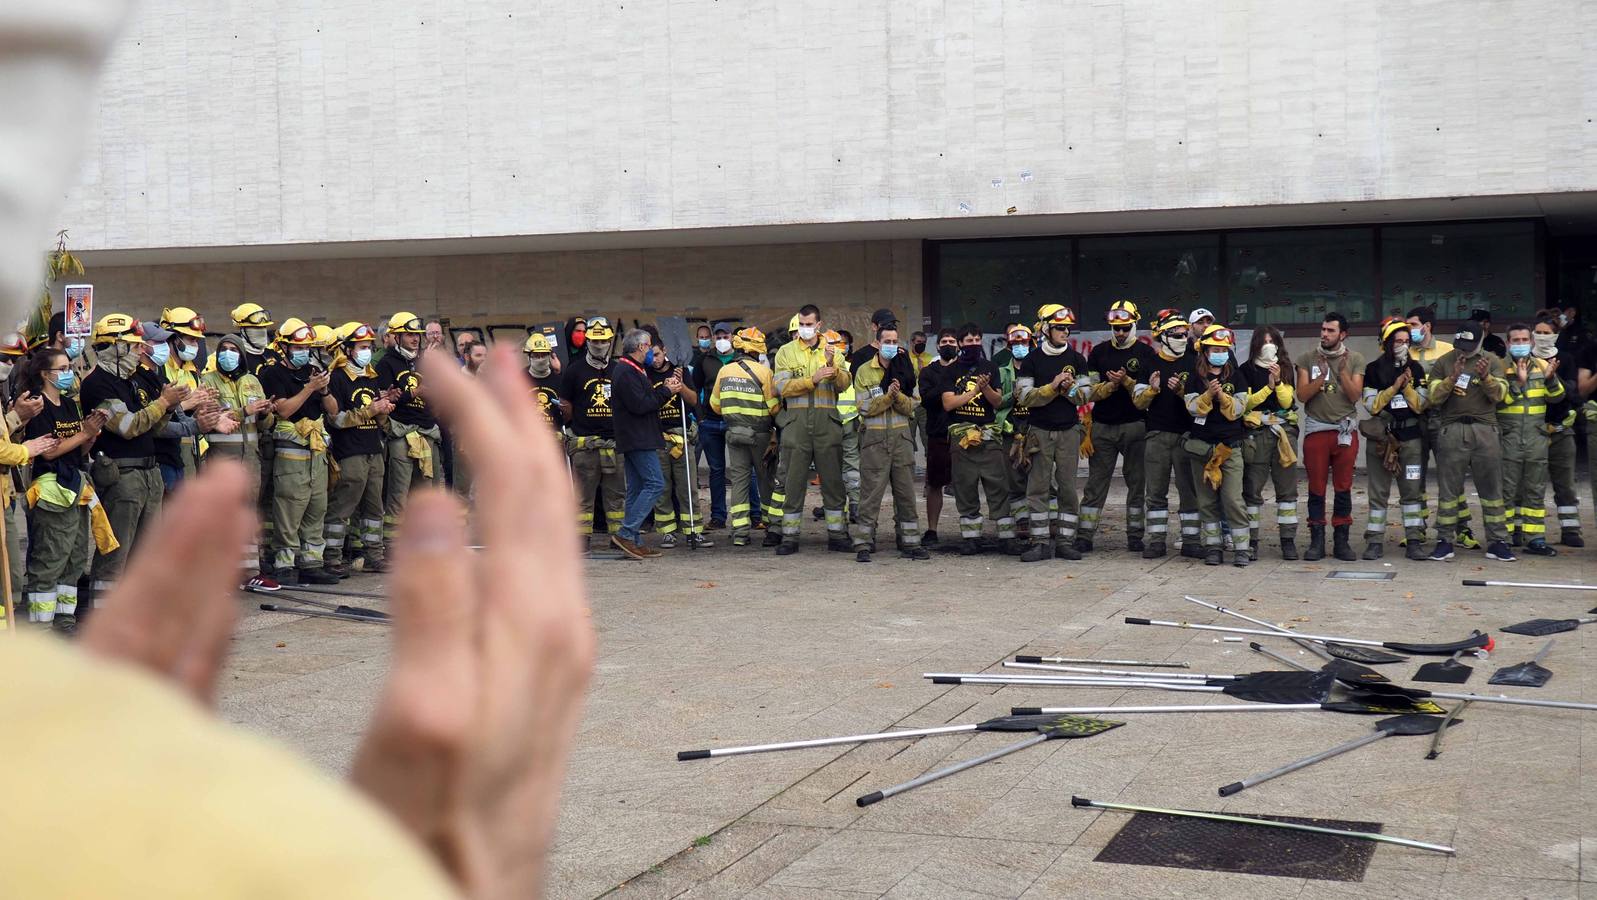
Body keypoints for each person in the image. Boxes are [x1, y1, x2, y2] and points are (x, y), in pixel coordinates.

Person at [80, 314, 187, 603]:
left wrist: (166, 408)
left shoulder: (128, 381)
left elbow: (152, 426)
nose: (141, 351)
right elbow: (128, 427)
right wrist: (163, 403)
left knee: (148, 553)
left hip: (148, 475)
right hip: (123, 478)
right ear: (114, 347)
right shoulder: (97, 384)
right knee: (117, 553)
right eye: (133, 345)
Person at [19, 349, 98, 632]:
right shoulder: (37, 405)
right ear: (44, 373)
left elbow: (77, 446)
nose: (68, 372)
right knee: (50, 559)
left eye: (69, 367)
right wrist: (84, 433)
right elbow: (49, 452)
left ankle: (65, 620)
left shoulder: (68, 404)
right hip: (51, 490)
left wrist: (90, 435)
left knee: (74, 558)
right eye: (62, 368)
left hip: (75, 487)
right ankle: (41, 627)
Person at [257, 319, 336, 585]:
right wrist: (309, 388)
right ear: (284, 348)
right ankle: (284, 566)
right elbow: (284, 410)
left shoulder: (313, 370)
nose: (304, 352)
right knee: (289, 510)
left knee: (317, 508)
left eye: (307, 347)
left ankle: (312, 563)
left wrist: (323, 390)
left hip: (317, 453)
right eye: (298, 347)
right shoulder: (272, 374)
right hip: (291, 454)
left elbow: (333, 410)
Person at [1426, 326, 1512, 561]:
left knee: (1492, 489)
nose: (1463, 352)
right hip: (1452, 429)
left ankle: (1497, 541)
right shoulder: (1444, 362)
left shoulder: (1492, 361)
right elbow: (1433, 397)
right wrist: (1452, 378)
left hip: (1485, 429)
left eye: (1469, 347)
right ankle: (1445, 540)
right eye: (1460, 346)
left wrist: (1486, 378)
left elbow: (1500, 395)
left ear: (1480, 341)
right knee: (1448, 489)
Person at [199, 333, 278, 589]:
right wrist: (245, 411)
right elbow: (208, 417)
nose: (228, 354)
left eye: (234, 349)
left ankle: (248, 573)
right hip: (222, 459)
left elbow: (264, 423)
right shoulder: (207, 380)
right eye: (224, 349)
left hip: (250, 459)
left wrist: (266, 414)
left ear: (242, 355)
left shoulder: (252, 381)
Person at [772, 305, 851, 554]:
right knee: (793, 483)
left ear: (819, 325)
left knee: (833, 482)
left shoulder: (833, 351)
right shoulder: (786, 352)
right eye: (801, 324)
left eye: (809, 324)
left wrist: (833, 367)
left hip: (827, 423)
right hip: (796, 425)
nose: (805, 328)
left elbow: (845, 384)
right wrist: (812, 379)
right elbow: (782, 387)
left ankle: (838, 536)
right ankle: (790, 538)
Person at [1015, 306, 1090, 562]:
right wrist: (1052, 386)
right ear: (1046, 329)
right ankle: (1039, 543)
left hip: (1069, 431)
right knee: (1038, 488)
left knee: (1068, 488)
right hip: (1040, 432)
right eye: (1059, 327)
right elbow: (1025, 397)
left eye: (1067, 328)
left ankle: (1066, 542)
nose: (1065, 332)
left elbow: (1084, 396)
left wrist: (1069, 390)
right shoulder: (1032, 360)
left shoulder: (1078, 359)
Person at [850, 324, 928, 562]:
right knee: (870, 494)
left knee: (905, 494)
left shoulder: (906, 368)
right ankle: (864, 542)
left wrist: (896, 395)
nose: (892, 346)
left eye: (895, 342)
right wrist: (888, 397)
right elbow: (864, 407)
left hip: (901, 440)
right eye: (887, 341)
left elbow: (913, 405)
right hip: (874, 442)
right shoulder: (864, 370)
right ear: (878, 342)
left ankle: (910, 542)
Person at [1079, 299, 1152, 553]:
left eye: (1125, 327)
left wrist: (1127, 381)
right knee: (1095, 483)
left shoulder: (1146, 353)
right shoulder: (1098, 353)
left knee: (1137, 483)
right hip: (1103, 427)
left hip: (1135, 426)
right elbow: (1088, 392)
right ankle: (1085, 535)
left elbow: (1147, 395)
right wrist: (1110, 385)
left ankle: (1135, 536)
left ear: (1135, 324)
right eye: (1116, 328)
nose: (1120, 333)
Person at [942, 323, 1020, 555]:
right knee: (965, 486)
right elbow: (948, 404)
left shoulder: (990, 367)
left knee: (998, 485)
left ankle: (1006, 538)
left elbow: (997, 402)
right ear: (960, 344)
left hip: (988, 435)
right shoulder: (951, 370)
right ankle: (971, 539)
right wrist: (974, 391)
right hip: (962, 437)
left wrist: (985, 389)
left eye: (977, 339)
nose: (973, 344)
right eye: (968, 341)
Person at [324, 323, 395, 577]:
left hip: (373, 448)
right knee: (343, 507)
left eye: (369, 347)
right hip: (350, 451)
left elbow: (374, 412)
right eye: (363, 347)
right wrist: (371, 410)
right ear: (347, 349)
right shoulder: (337, 378)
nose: (367, 352)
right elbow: (337, 420)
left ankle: (374, 555)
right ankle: (331, 558)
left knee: (375, 508)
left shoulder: (370, 375)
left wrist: (383, 409)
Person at [1295, 312, 1365, 562]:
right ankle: (1316, 541)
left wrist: (1343, 373)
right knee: (1316, 487)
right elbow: (1302, 395)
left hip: (1344, 431)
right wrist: (1322, 377)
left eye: (1331, 331)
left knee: (1343, 486)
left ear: (1342, 334)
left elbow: (1355, 395)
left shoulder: (1355, 359)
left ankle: (1341, 541)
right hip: (1317, 431)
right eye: (1323, 329)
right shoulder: (1307, 358)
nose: (1324, 334)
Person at [1182, 326, 1253, 566]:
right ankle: (1213, 547)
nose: (1220, 353)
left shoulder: (1237, 376)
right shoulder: (1194, 378)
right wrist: (1208, 395)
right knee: (1206, 502)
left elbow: (1239, 409)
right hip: (1201, 448)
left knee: (1233, 499)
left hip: (1229, 449)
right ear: (1204, 351)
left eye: (1224, 349)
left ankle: (1242, 548)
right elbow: (1192, 408)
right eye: (1216, 349)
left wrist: (1222, 396)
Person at [1359, 319, 1429, 560]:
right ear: (1387, 343)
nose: (1403, 345)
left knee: (1411, 493)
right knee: (1378, 493)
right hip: (1381, 440)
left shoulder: (1417, 369)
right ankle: (1374, 542)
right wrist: (1394, 386)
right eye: (1398, 341)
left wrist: (1407, 387)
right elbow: (1371, 405)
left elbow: (1420, 406)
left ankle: (1414, 541)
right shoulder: (1373, 369)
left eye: (1407, 341)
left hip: (1410, 440)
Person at [1134, 309, 1201, 559]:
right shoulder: (1149, 364)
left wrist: (1183, 391)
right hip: (1157, 435)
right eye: (1175, 334)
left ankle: (1192, 540)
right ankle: (1156, 541)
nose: (1182, 338)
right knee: (1156, 492)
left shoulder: (1195, 360)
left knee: (1189, 491)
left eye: (1185, 333)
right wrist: (1151, 390)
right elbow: (1138, 402)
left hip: (1187, 436)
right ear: (1162, 336)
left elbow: (1203, 402)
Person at [376, 311, 444, 550]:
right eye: (409, 334)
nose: (415, 339)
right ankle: (393, 546)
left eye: (417, 335)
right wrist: (414, 393)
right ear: (396, 336)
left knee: (428, 490)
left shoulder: (423, 360)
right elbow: (384, 400)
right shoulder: (386, 363)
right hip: (401, 434)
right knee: (399, 493)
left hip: (427, 432)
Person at [609, 329, 680, 559]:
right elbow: (641, 405)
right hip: (638, 438)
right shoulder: (626, 371)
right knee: (655, 484)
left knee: (637, 488)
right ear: (640, 347)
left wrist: (662, 389)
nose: (651, 351)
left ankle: (634, 541)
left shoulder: (634, 370)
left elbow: (644, 399)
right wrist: (667, 392)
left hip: (637, 437)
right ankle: (626, 533)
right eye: (649, 346)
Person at [1498, 322, 1564, 557]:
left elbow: (1557, 398)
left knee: (1535, 490)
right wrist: (1519, 383)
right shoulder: (1499, 368)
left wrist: (1550, 379)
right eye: (1515, 340)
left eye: (1524, 340)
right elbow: (1497, 401)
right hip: (1509, 438)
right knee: (1506, 491)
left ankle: (1534, 539)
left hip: (1536, 438)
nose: (1520, 344)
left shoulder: (1543, 366)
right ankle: (1503, 539)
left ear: (1532, 342)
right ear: (1508, 343)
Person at [710, 327, 779, 547]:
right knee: (765, 480)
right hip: (759, 436)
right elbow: (774, 408)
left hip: (733, 434)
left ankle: (739, 532)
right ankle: (771, 526)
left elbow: (715, 406)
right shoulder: (764, 372)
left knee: (739, 482)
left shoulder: (724, 371)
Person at [562, 316, 626, 551]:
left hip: (614, 444)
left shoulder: (619, 370)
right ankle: (581, 539)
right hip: (585, 445)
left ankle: (618, 536)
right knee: (583, 497)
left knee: (616, 496)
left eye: (603, 341)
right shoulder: (574, 370)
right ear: (587, 341)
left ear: (610, 341)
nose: (599, 345)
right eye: (594, 341)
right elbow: (565, 403)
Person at [1240, 325, 1300, 559]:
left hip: (1283, 432)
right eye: (1263, 341)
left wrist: (1279, 381)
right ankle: (1252, 541)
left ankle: (1288, 541)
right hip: (1256, 433)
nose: (1268, 346)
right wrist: (1268, 387)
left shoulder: (1285, 368)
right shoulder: (1245, 369)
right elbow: (1247, 403)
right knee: (1251, 489)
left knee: (1287, 490)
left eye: (1272, 341)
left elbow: (1287, 403)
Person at [649, 338, 710, 549]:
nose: (654, 359)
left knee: (688, 487)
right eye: (651, 355)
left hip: (682, 437)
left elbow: (693, 401)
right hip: (657, 437)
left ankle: (694, 530)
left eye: (657, 354)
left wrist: (680, 385)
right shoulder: (645, 374)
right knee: (662, 488)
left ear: (665, 350)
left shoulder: (681, 371)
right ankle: (667, 532)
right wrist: (664, 390)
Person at [1406, 304, 1453, 542]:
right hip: (1413, 422)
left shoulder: (1448, 350)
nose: (1409, 330)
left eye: (1413, 325)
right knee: (1415, 477)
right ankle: (1416, 530)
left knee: (1449, 477)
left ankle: (1458, 530)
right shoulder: (1403, 351)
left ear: (1427, 326)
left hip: (1441, 420)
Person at [1537, 317, 1583, 547]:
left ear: (1555, 335)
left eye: (1546, 332)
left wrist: (1553, 376)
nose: (1541, 336)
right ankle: (1526, 532)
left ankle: (1570, 530)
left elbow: (1574, 392)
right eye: (1537, 331)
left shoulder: (1565, 359)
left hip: (1561, 430)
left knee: (1565, 484)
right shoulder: (1526, 358)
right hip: (1533, 431)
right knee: (1530, 486)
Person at [693, 321, 739, 530]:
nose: (722, 341)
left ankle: (751, 516)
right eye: (718, 337)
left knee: (743, 471)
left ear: (732, 338)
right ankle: (718, 516)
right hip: (710, 422)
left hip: (736, 421)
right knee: (717, 470)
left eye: (725, 337)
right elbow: (695, 389)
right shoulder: (705, 360)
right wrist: (700, 417)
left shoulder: (742, 359)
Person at [917, 328, 960, 546]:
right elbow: (927, 400)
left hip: (964, 434)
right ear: (938, 345)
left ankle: (970, 531)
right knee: (934, 484)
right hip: (937, 434)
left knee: (965, 484)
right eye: (944, 341)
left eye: (952, 341)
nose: (948, 345)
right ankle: (932, 530)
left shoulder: (966, 369)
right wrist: (948, 383)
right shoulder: (928, 372)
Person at [998, 324, 1033, 537]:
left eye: (1024, 343)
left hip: (1035, 430)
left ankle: (1052, 522)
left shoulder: (1038, 368)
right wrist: (1013, 396)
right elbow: (995, 402)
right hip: (1010, 432)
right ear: (1009, 347)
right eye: (1016, 344)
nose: (1020, 347)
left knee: (1043, 477)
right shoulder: (1002, 372)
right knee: (1014, 480)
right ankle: (1021, 521)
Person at [523, 332, 563, 428]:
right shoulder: (519, 380)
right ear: (528, 357)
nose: (540, 359)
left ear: (550, 356)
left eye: (544, 355)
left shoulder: (559, 380)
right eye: (536, 355)